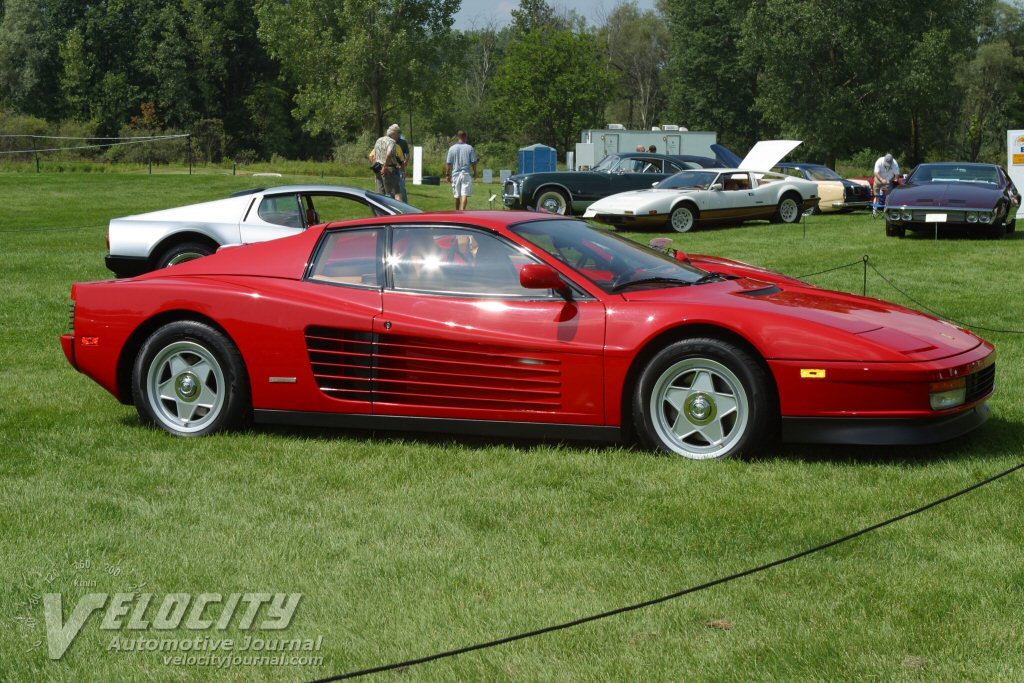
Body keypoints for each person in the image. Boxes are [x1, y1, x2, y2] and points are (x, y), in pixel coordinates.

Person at [445, 130, 478, 210]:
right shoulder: (469, 148)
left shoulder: (451, 148)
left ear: (458, 137)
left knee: (457, 196)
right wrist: (475, 172)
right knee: (464, 194)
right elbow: (474, 162)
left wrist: (447, 175)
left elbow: (449, 163)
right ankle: (462, 211)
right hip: (466, 174)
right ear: (464, 137)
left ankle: (457, 212)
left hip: (456, 174)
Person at [371, 123, 402, 199]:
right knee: (396, 193)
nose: (399, 136)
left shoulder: (379, 140)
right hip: (389, 169)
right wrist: (385, 167)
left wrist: (376, 166)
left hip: (378, 169)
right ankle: (399, 210)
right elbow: (389, 154)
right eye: (398, 133)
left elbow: (373, 155)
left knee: (380, 193)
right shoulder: (392, 142)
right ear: (393, 133)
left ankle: (379, 210)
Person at [396, 133, 410, 203]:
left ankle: (405, 204)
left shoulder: (403, 142)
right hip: (393, 168)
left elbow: (407, 154)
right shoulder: (389, 142)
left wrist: (405, 163)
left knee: (401, 187)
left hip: (400, 167)